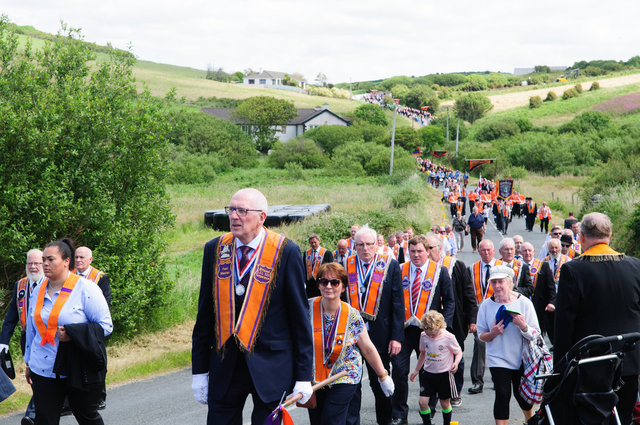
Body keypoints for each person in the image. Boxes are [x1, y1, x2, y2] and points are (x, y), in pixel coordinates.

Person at [191, 188, 313, 425]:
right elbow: (205, 315)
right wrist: (199, 371)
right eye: (231, 209)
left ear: (262, 217)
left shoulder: (285, 252)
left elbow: (300, 318)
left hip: (271, 366)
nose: (234, 216)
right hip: (225, 363)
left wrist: (304, 375)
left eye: (242, 211)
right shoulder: (215, 249)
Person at [554, 212, 640, 425]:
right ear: (610, 234)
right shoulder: (636, 266)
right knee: (625, 417)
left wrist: (560, 369)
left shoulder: (572, 269)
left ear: (581, 236)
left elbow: (564, 325)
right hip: (630, 362)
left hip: (590, 365)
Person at [24, 239, 112, 425]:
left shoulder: (86, 288)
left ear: (66, 261)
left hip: (75, 368)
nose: (45, 264)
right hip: (43, 369)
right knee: (45, 420)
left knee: (87, 417)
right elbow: (32, 329)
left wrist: (74, 333)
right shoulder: (38, 288)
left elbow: (106, 326)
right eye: (43, 260)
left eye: (50, 259)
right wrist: (29, 362)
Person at [307, 263, 394, 425]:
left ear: (343, 287)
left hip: (344, 375)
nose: (328, 286)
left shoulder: (352, 315)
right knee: (318, 420)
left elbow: (367, 348)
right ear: (318, 285)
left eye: (335, 282)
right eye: (324, 281)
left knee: (331, 420)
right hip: (315, 376)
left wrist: (383, 376)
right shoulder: (307, 308)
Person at [390, 235, 455, 424]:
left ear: (428, 251)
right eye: (412, 251)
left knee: (432, 371)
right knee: (399, 372)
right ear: (407, 252)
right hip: (404, 330)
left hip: (430, 332)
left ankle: (429, 408)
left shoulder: (439, 271)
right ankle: (400, 414)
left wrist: (443, 327)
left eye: (420, 251)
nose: (416, 255)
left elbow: (449, 301)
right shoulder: (399, 270)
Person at [345, 225, 404, 425]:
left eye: (369, 244)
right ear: (354, 245)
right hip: (350, 337)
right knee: (351, 385)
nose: (365, 249)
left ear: (377, 244)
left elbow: (398, 303)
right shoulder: (345, 264)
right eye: (360, 245)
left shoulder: (390, 264)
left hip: (380, 336)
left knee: (380, 383)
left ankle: (385, 421)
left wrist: (396, 337)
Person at [477, 265, 540, 425]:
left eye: (500, 282)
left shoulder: (524, 303)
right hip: (498, 358)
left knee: (523, 398)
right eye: (493, 282)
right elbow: (481, 336)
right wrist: (493, 333)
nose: (497, 286)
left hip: (522, 358)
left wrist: (523, 325)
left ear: (509, 282)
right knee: (503, 394)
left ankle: (528, 420)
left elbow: (536, 333)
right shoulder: (486, 305)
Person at [426, 234, 478, 407]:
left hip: (454, 321)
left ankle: (455, 391)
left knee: (457, 357)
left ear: (440, 249)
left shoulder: (455, 265)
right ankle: (433, 397)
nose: (427, 252)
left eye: (430, 248)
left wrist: (472, 319)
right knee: (432, 358)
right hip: (431, 322)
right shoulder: (425, 268)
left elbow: (468, 293)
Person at [0, 249, 44, 425]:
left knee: (42, 375)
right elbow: (11, 316)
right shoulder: (21, 285)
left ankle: (33, 413)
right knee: (33, 374)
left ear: (44, 264)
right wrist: (3, 341)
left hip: (47, 339)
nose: (33, 267)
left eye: (37, 263)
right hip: (28, 339)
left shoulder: (51, 283)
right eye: (30, 263)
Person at [409, 311, 462, 425]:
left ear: (440, 326)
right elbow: (422, 353)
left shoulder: (448, 337)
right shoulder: (424, 336)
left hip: (444, 375)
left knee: (444, 403)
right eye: (428, 334)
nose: (431, 336)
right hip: (428, 374)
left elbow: (458, 352)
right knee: (422, 403)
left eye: (433, 334)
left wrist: (456, 363)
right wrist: (417, 370)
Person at [467, 239, 496, 395]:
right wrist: (471, 319)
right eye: (483, 250)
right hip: (480, 314)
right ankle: (477, 381)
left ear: (494, 251)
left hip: (499, 313)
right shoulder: (471, 269)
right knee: (479, 344)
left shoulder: (501, 267)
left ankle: (498, 379)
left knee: (499, 347)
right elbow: (469, 295)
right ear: (479, 251)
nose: (486, 253)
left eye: (488, 250)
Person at [521, 242, 556, 341]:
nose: (527, 253)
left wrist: (552, 302)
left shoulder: (543, 265)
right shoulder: (518, 267)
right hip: (523, 306)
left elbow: (551, 287)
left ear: (533, 252)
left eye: (529, 250)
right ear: (520, 252)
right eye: (524, 251)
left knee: (537, 335)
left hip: (539, 307)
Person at [305, 234, 334, 298]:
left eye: (315, 242)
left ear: (319, 241)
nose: (313, 244)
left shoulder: (327, 253)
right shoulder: (306, 253)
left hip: (322, 282)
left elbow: (331, 268)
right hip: (309, 284)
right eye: (311, 243)